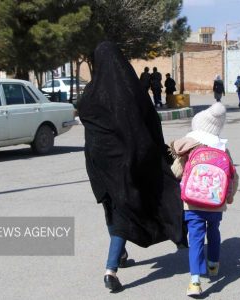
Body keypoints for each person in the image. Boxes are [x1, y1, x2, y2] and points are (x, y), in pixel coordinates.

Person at [78, 41, 184, 292]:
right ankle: (110, 270)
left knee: (112, 207)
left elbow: (89, 127)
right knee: (125, 210)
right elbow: (149, 124)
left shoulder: (90, 95)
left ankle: (121, 255)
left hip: (99, 165)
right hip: (129, 162)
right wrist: (160, 154)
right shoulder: (132, 91)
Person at [170, 102, 239, 296]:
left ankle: (195, 281)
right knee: (214, 230)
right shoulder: (223, 150)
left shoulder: (190, 149)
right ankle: (213, 263)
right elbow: (232, 176)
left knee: (197, 238)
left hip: (192, 203)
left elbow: (176, 171)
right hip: (216, 204)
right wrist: (230, 196)